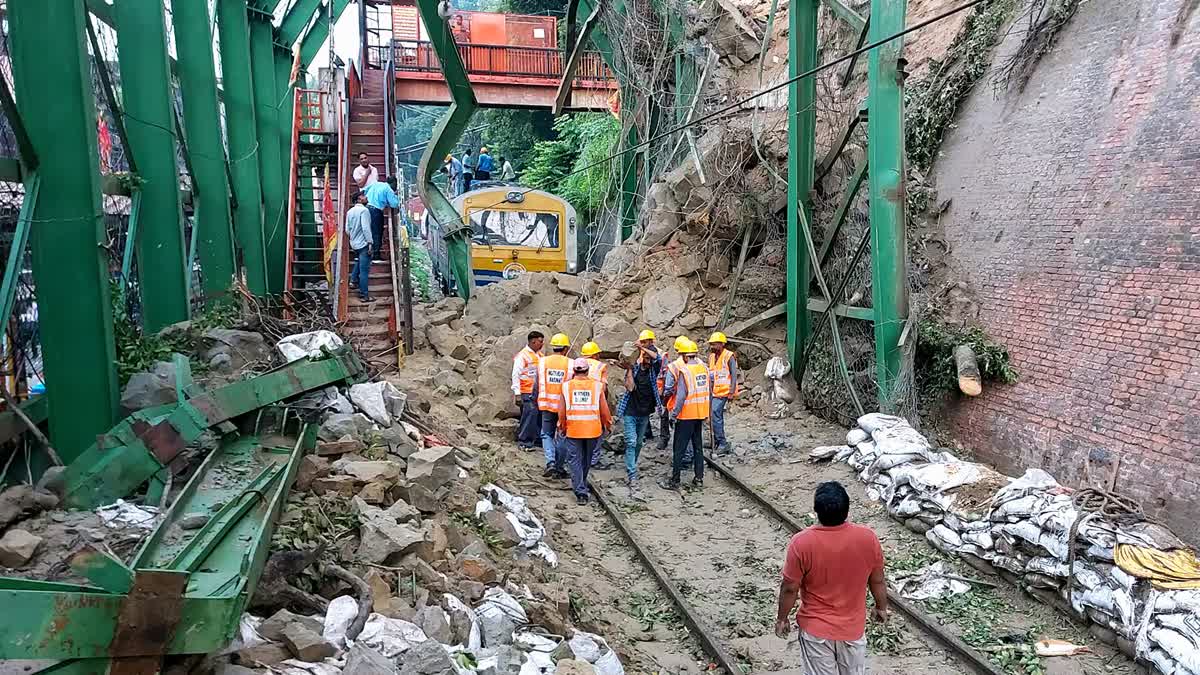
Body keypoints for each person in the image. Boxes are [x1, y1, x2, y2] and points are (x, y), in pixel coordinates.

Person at [775, 481, 888, 675]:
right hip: (852, 630)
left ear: (816, 511)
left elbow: (789, 588)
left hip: (815, 630)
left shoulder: (801, 543)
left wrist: (782, 618)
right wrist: (881, 607)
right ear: (847, 509)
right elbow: (877, 580)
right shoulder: (868, 538)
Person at [615, 330, 661, 501]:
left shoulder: (653, 371)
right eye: (646, 359)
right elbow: (629, 388)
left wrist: (643, 347)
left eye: (649, 359)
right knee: (631, 441)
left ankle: (631, 464)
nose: (648, 361)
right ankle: (632, 471)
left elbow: (658, 358)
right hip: (630, 412)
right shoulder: (634, 369)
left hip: (644, 413)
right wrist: (627, 370)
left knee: (639, 443)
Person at [559, 358, 612, 505]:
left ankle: (580, 491)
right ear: (587, 371)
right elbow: (604, 409)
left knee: (574, 460)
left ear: (574, 371)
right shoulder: (597, 386)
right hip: (592, 430)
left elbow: (561, 411)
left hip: (574, 429)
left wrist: (562, 425)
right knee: (586, 459)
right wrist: (608, 424)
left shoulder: (565, 387)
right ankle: (581, 484)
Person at [659, 338, 709, 491]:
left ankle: (675, 481)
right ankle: (699, 478)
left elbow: (681, 396)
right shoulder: (704, 368)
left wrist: (673, 415)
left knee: (679, 449)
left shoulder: (685, 371)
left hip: (686, 415)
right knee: (698, 446)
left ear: (685, 356)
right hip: (700, 413)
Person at [533, 333, 572, 478]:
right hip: (564, 407)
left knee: (546, 434)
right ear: (566, 348)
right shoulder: (571, 363)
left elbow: (537, 383)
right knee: (562, 435)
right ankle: (559, 467)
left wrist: (533, 397)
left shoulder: (543, 362)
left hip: (546, 404)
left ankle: (550, 462)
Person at [579, 341, 613, 470]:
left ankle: (581, 456)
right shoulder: (600, 366)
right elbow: (604, 388)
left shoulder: (576, 364)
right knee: (598, 430)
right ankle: (593, 459)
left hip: (578, 401)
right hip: (595, 402)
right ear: (594, 355)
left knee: (579, 428)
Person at [707, 332, 739, 455]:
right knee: (711, 416)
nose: (712, 347)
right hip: (713, 390)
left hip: (724, 391)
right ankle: (714, 440)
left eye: (715, 344)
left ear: (722, 344)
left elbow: (734, 375)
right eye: (711, 344)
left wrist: (731, 392)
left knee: (716, 414)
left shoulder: (728, 356)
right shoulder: (711, 357)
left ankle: (722, 443)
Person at [656, 336, 689, 453]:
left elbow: (669, 388)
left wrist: (665, 401)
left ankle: (683, 453)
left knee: (679, 425)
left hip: (677, 399)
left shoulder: (674, 366)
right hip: (690, 401)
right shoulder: (698, 364)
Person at [512, 331, 544, 450]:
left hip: (538, 391)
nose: (542, 344)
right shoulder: (523, 356)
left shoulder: (540, 356)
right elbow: (516, 374)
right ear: (533, 341)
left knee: (538, 415)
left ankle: (536, 439)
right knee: (529, 414)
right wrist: (517, 393)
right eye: (540, 341)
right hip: (527, 390)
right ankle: (524, 441)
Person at [345, 191, 374, 302]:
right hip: (363, 244)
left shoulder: (350, 212)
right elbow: (366, 228)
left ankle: (352, 280)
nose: (366, 197)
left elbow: (347, 230)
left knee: (358, 262)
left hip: (354, 243)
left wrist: (353, 237)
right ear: (358, 199)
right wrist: (370, 242)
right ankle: (364, 295)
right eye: (363, 196)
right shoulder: (364, 211)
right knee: (364, 271)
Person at [364, 177, 401, 262]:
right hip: (376, 211)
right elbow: (394, 204)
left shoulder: (376, 184)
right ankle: (375, 255)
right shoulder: (388, 189)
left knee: (367, 230)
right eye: (396, 185)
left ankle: (364, 253)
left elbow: (365, 191)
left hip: (366, 208)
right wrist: (394, 195)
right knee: (377, 232)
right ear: (393, 183)